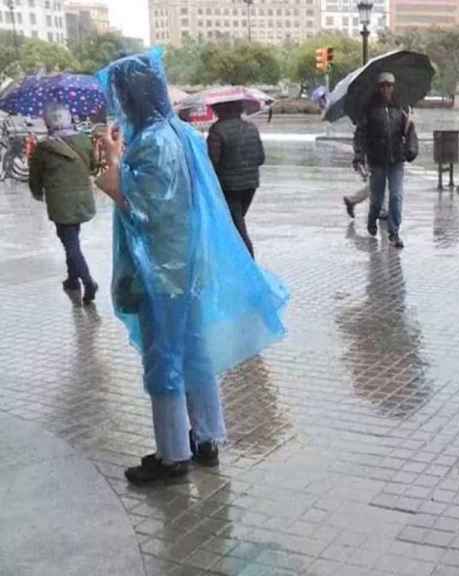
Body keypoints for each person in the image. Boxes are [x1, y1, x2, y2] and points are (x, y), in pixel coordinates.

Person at [93, 49, 288, 486]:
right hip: (189, 267)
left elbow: (144, 207)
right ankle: (205, 440)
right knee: (195, 353)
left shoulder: (151, 143)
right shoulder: (180, 134)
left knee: (165, 359)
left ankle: (171, 455)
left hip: (162, 269)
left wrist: (112, 161)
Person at [29, 103, 99, 303]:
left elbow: (35, 177)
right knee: (72, 240)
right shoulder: (83, 140)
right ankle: (72, 279)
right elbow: (93, 167)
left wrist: (36, 192)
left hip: (60, 202)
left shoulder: (43, 148)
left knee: (71, 244)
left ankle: (88, 282)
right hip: (82, 200)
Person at [352, 72, 418, 248]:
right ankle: (372, 219)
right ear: (378, 87)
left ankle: (394, 232)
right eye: (383, 85)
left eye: (390, 85)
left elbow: (409, 132)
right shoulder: (369, 110)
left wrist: (411, 147)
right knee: (377, 199)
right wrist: (359, 155)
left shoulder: (401, 109)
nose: (386, 88)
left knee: (396, 196)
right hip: (377, 160)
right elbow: (360, 134)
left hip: (397, 159)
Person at [207, 100, 266, 257]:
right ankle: (235, 259)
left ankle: (248, 261)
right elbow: (261, 158)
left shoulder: (217, 130)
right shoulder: (252, 128)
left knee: (237, 226)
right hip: (251, 184)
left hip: (229, 187)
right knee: (237, 222)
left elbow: (211, 163)